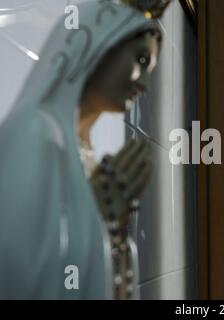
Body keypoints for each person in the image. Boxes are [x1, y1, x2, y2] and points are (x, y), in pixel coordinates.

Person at [0, 0, 169, 299]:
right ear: (101, 42)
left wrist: (111, 227)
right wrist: (102, 215)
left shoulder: (82, 149)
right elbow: (17, 277)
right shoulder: (34, 133)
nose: (144, 84)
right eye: (141, 61)